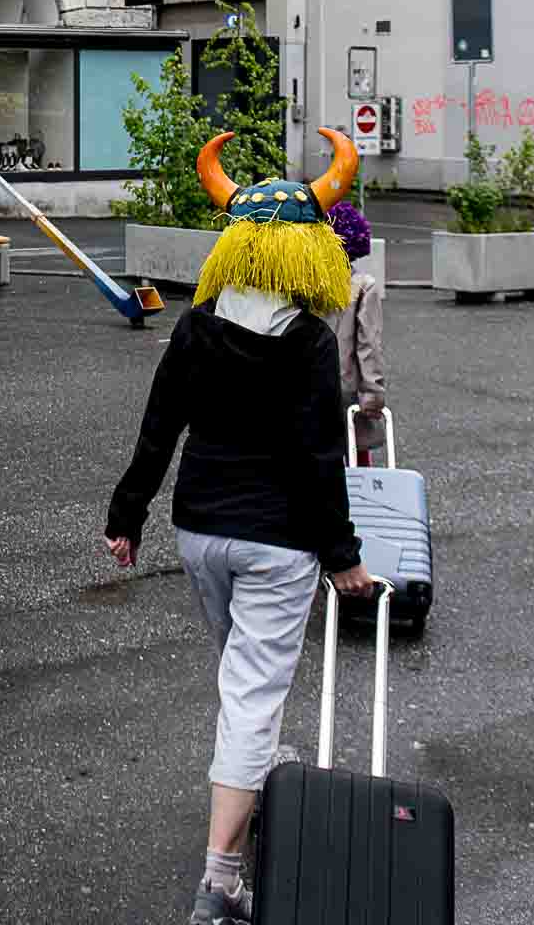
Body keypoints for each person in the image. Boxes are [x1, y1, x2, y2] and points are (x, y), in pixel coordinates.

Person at [104, 128, 373, 925]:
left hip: (199, 534)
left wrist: (127, 517)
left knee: (239, 679)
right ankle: (221, 878)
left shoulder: (197, 324)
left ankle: (251, 769)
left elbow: (159, 428)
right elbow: (321, 457)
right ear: (307, 250)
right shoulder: (310, 342)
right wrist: (345, 558)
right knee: (253, 695)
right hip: (278, 541)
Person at [328, 199, 389, 465]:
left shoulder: (304, 285)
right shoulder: (363, 286)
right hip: (346, 388)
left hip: (309, 387)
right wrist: (373, 392)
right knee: (356, 458)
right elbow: (369, 345)